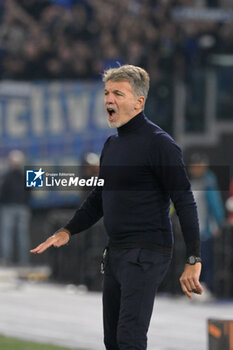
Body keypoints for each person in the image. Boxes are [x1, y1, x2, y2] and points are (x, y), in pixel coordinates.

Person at [30, 65, 203, 350]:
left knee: (129, 339)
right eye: (107, 93)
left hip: (148, 251)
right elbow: (99, 198)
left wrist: (194, 260)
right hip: (117, 252)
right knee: (113, 341)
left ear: (139, 102)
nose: (109, 99)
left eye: (118, 94)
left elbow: (184, 200)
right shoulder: (111, 146)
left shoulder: (160, 145)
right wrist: (67, 231)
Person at [189, 154, 225, 294]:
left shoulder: (208, 181)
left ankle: (206, 287)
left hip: (205, 230)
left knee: (205, 259)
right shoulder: (195, 181)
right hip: (195, 230)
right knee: (195, 260)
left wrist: (219, 222)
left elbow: (215, 204)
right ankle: (195, 287)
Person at [0, 150, 31, 265]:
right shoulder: (27, 175)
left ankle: (6, 259)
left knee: (7, 234)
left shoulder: (6, 176)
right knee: (22, 235)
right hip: (23, 207)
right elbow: (30, 193)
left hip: (8, 207)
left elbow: (2, 192)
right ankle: (24, 260)